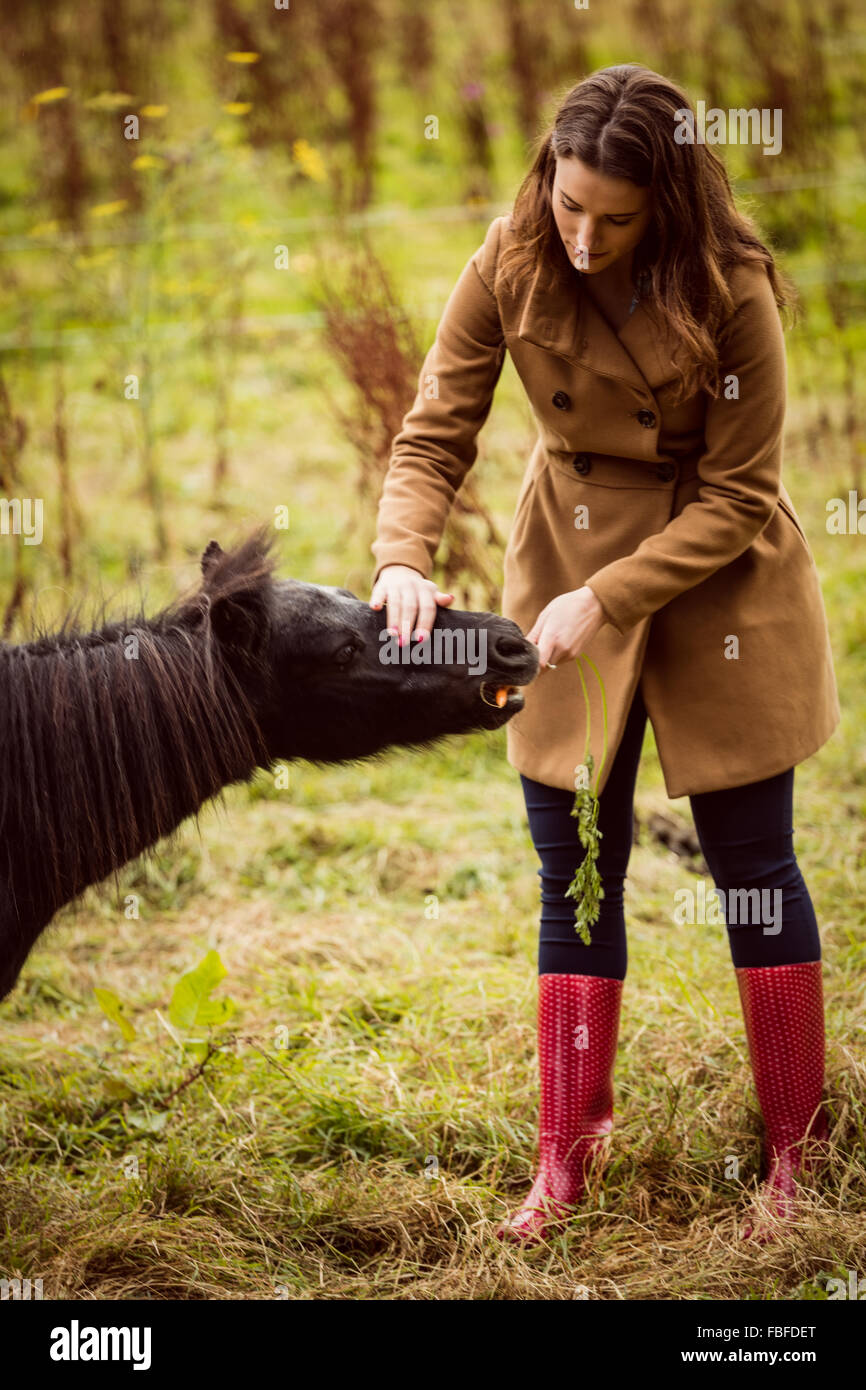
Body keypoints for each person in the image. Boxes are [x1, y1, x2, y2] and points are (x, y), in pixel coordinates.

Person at [368, 63, 840, 1245]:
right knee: (570, 859)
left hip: (713, 587)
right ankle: (563, 1159)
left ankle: (795, 1155)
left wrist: (605, 598)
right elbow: (435, 429)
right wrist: (401, 557)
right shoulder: (512, 256)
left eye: (613, 218)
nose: (581, 237)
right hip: (560, 556)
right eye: (566, 202)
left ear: (666, 204)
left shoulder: (731, 287)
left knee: (750, 866)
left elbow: (740, 493)